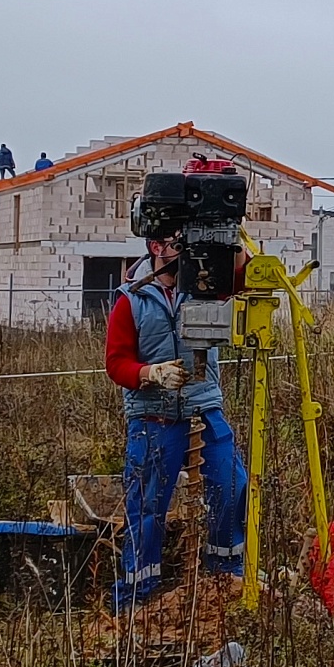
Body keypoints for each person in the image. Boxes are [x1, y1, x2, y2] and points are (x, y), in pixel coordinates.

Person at [105, 235, 248, 613]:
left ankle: (225, 571)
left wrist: (232, 238)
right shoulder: (130, 300)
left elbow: (243, 277)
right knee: (148, 501)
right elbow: (116, 363)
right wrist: (150, 373)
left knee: (231, 482)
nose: (184, 249)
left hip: (202, 407)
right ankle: (140, 593)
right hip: (153, 414)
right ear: (156, 248)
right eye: (174, 242)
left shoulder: (201, 284)